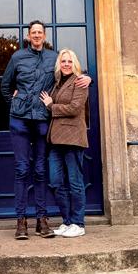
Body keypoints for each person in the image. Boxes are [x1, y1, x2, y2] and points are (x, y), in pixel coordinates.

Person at [1, 20, 90, 240]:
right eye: (33, 32)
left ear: (44, 35)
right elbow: (5, 85)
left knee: (41, 171)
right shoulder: (17, 57)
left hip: (43, 121)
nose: (37, 35)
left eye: (40, 32)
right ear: (28, 36)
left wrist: (89, 79)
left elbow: (70, 77)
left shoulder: (54, 58)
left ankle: (42, 220)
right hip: (20, 120)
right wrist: (14, 102)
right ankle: (21, 221)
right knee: (22, 169)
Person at [40, 49, 88, 238]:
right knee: (56, 182)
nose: (66, 64)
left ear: (74, 63)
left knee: (75, 183)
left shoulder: (80, 81)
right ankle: (67, 222)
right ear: (59, 64)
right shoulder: (57, 83)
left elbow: (75, 108)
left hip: (73, 138)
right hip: (55, 140)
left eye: (69, 61)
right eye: (63, 61)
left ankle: (78, 223)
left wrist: (51, 106)